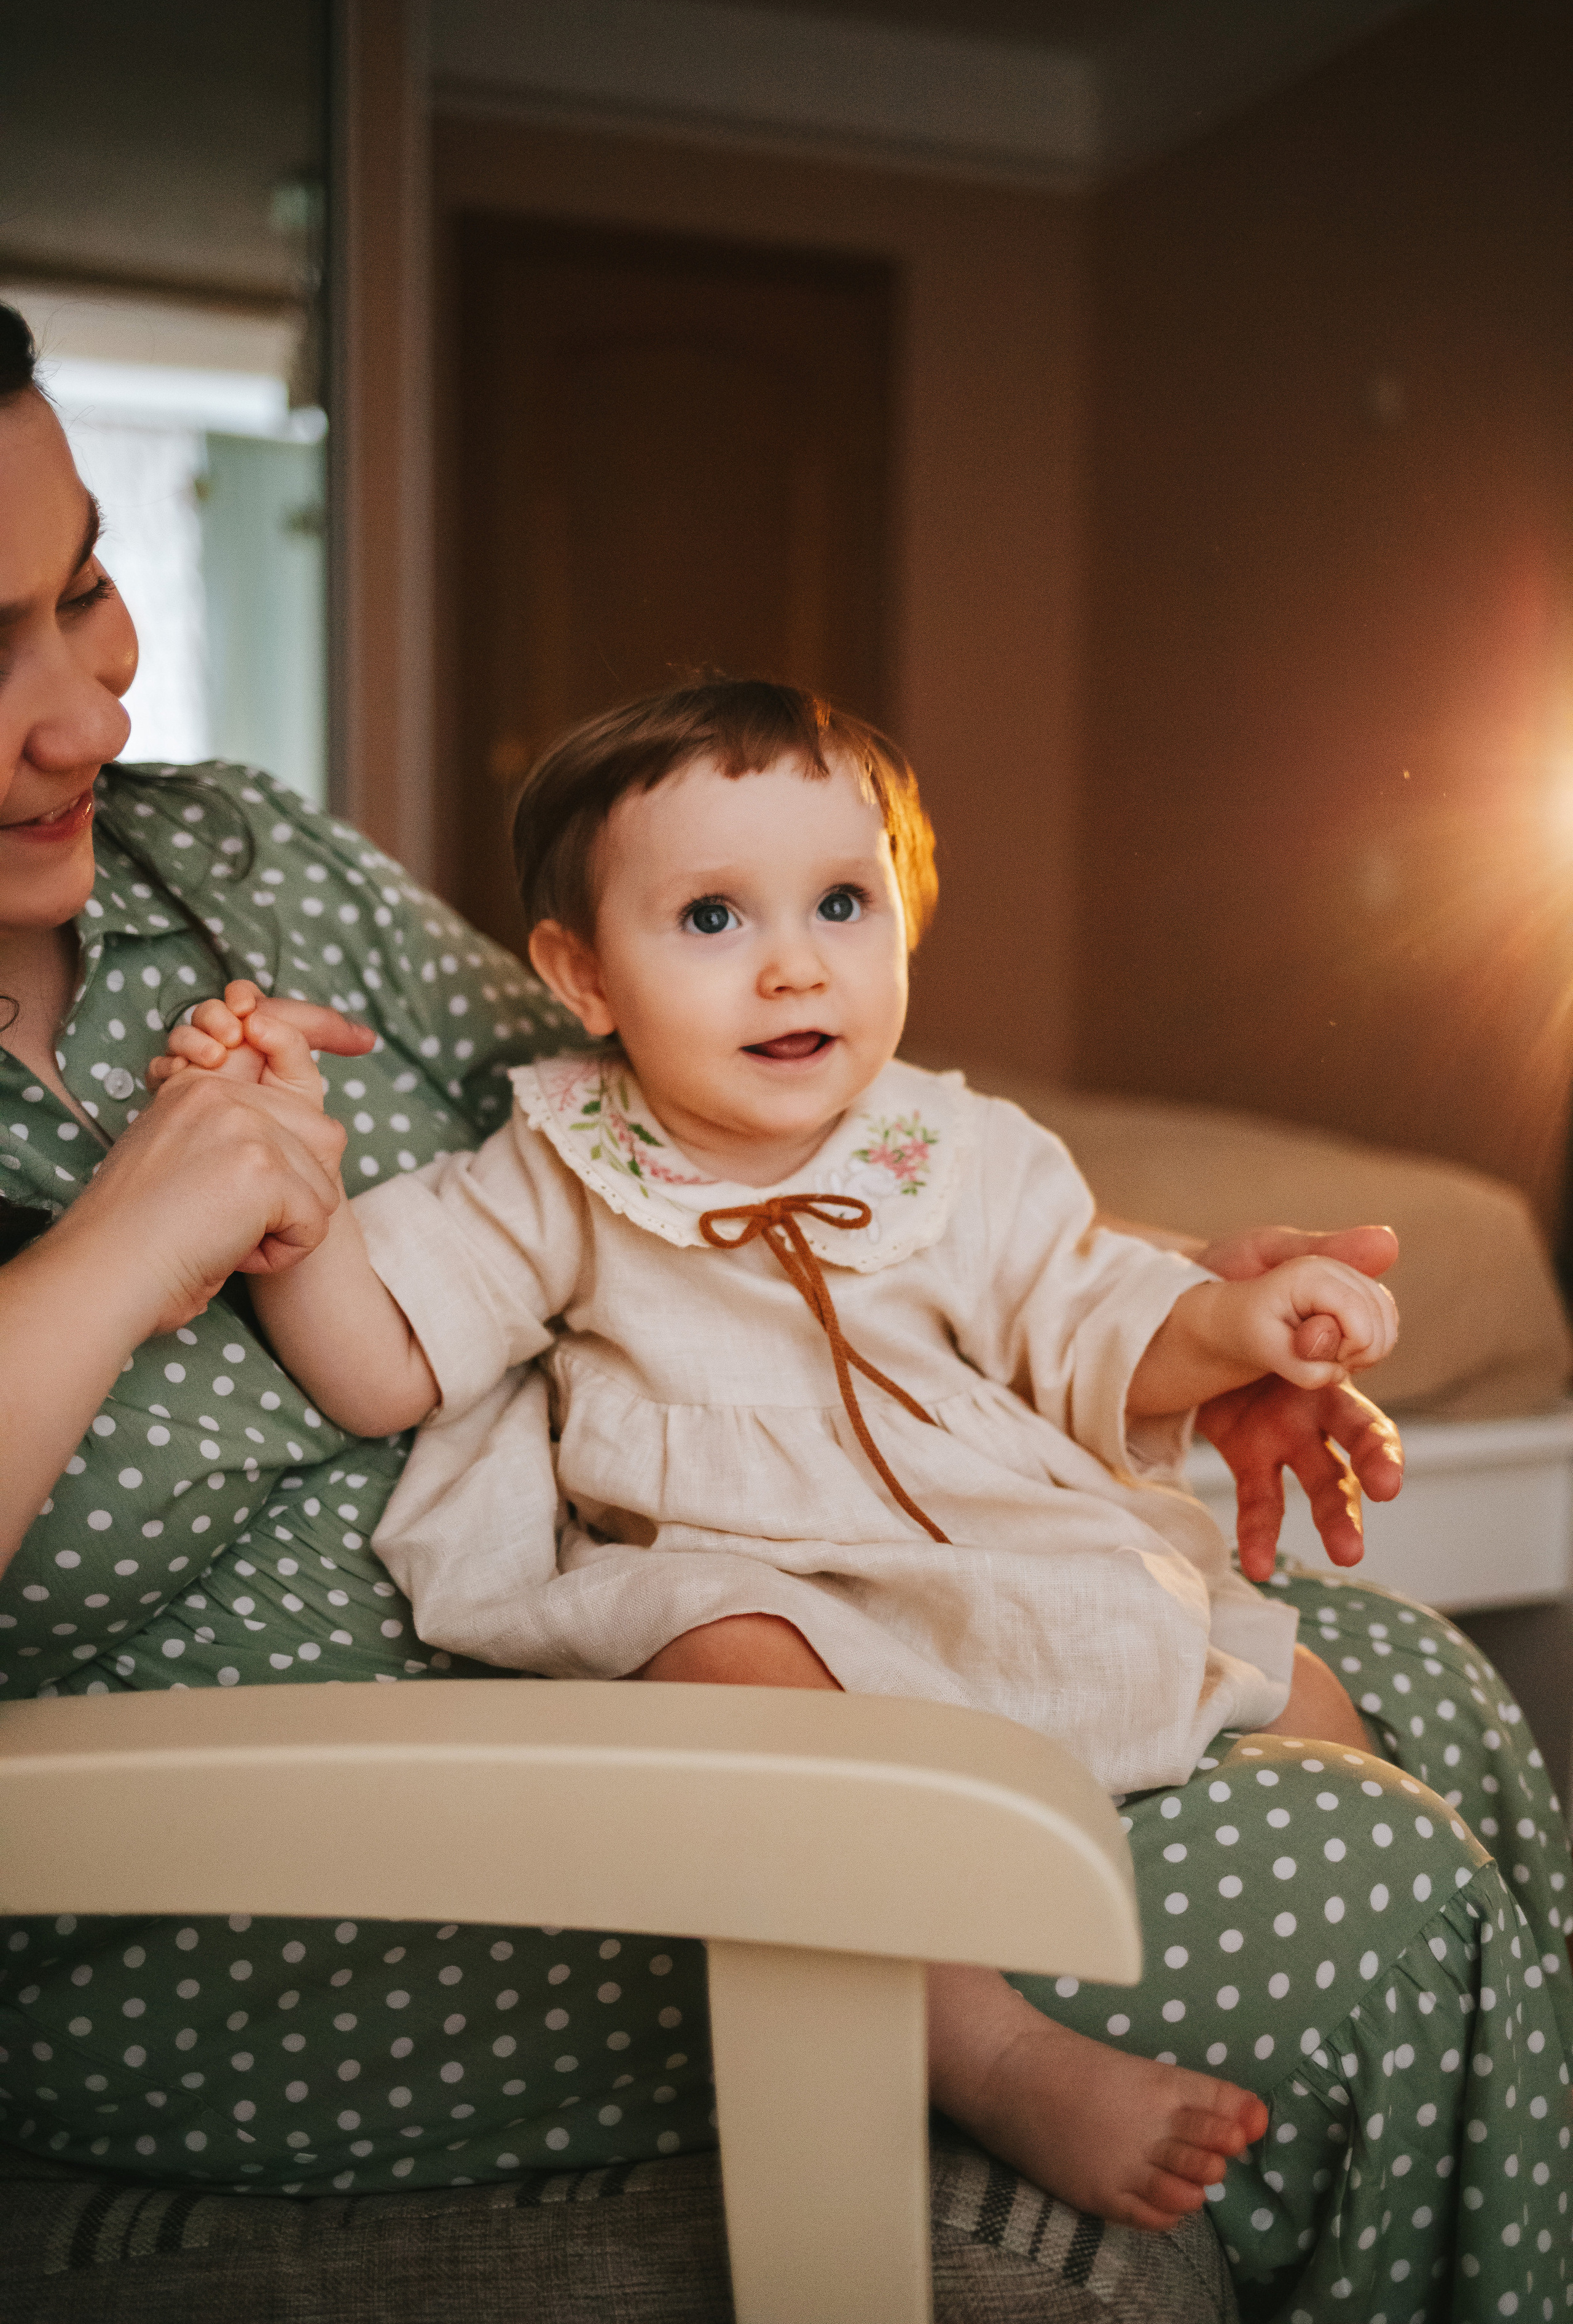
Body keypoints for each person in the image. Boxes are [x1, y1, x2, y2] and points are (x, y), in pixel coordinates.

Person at [0, 302, 1566, 2314]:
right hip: (381, 1826)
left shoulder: (213, 851)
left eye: (89, 587)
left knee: (1409, 1696)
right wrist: (180, 1231)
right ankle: (984, 2039)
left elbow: (922, 1204)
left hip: (911, 1553)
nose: (90, 722)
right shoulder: (560, 1170)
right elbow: (428, 1309)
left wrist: (1200, 1313)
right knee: (1360, 1895)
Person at [156, 681, 1408, 2231]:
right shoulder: (559, 1162)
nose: (793, 963)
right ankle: (987, 2046)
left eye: (838, 901)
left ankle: (1368, 1960)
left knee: (1287, 1680)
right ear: (581, 973)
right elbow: (377, 1366)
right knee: (720, 1659)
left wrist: (1238, 1327)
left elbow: (1095, 1319)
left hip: (970, 1547)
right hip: (745, 1574)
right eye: (709, 920)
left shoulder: (957, 1148)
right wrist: (292, 1182)